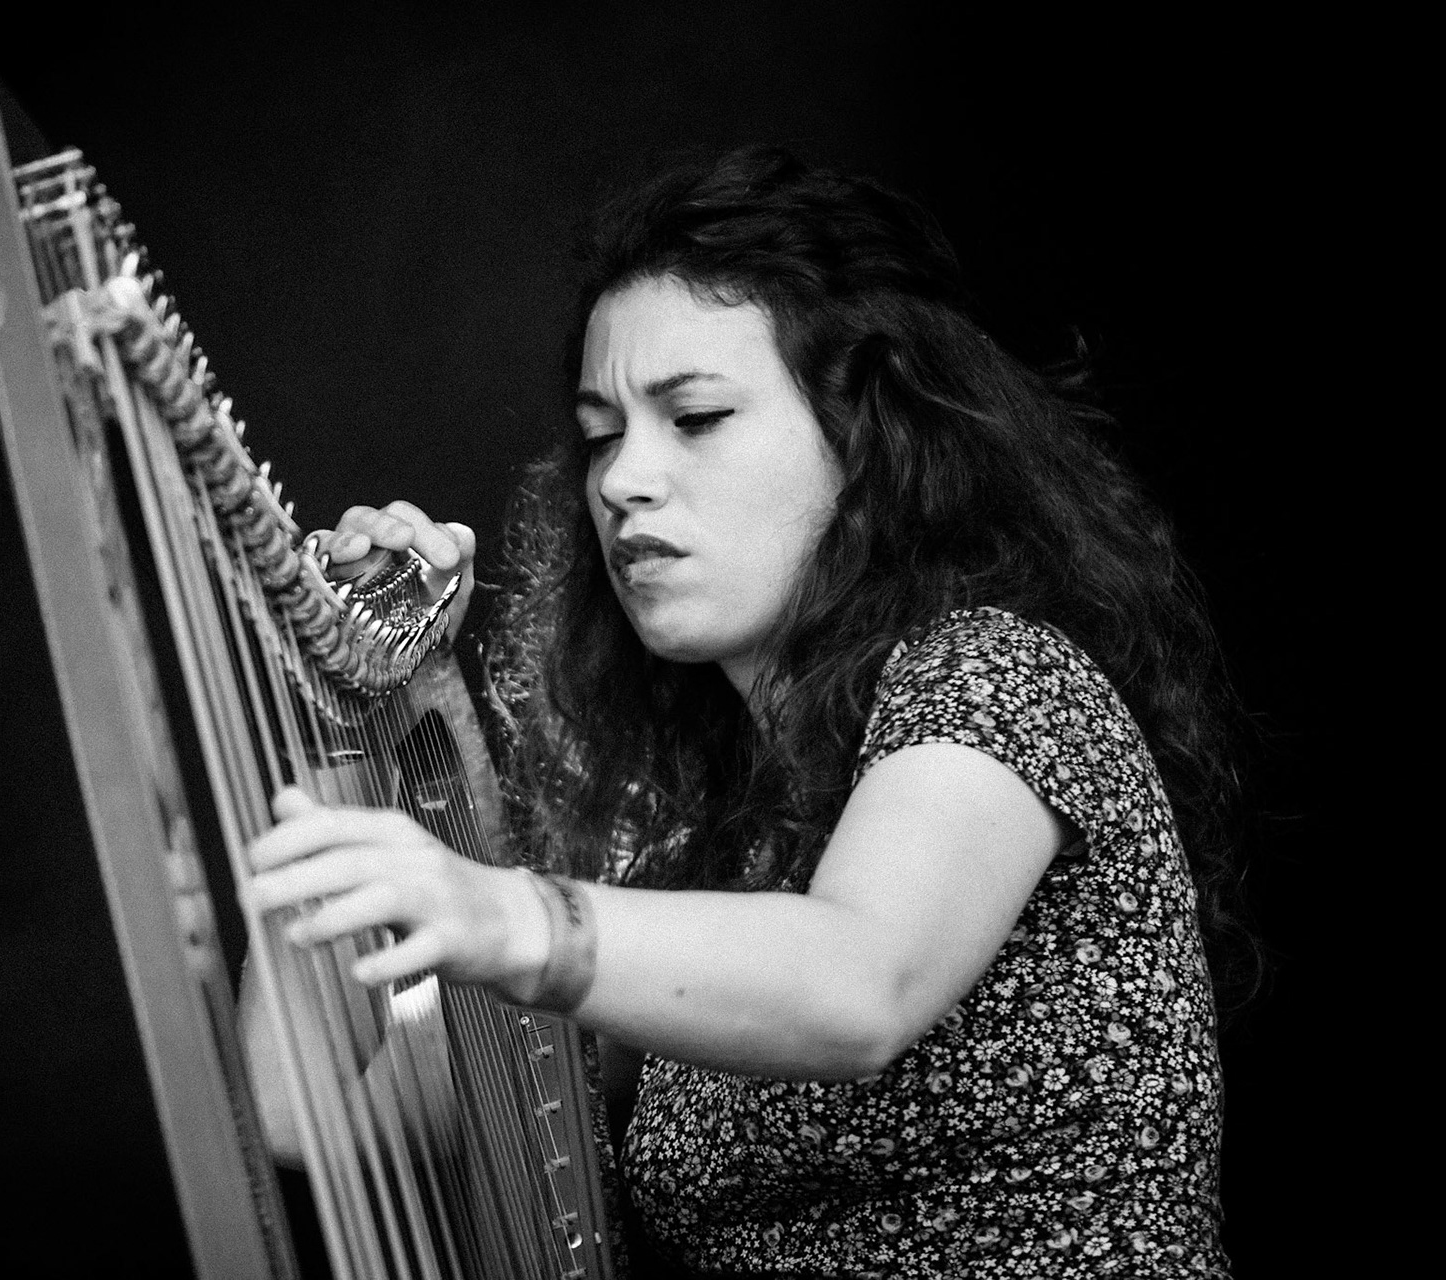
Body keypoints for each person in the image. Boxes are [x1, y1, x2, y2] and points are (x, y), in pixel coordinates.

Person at [245, 147, 1241, 1277]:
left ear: (872, 437)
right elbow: (309, 1109)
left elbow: (859, 980)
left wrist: (509, 915)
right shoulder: (698, 854)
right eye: (602, 432)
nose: (623, 479)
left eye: (698, 416)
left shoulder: (1001, 678)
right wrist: (332, 702)